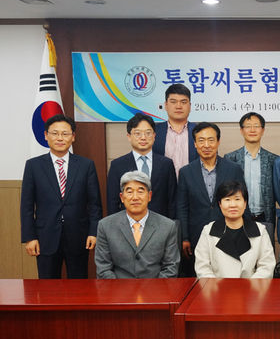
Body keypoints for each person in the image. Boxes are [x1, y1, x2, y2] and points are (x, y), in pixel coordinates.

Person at [20, 114, 102, 278]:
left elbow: (95, 204)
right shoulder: (33, 166)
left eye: (65, 134)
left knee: (79, 285)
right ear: (46, 135)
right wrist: (29, 237)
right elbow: (27, 206)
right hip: (45, 237)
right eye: (55, 133)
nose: (60, 138)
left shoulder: (86, 165)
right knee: (47, 286)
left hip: (79, 236)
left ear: (73, 137)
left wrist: (94, 232)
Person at [177, 122, 246, 277]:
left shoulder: (233, 169)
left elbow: (241, 201)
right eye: (201, 140)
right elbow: (182, 207)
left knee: (229, 276)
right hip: (196, 234)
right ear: (195, 144)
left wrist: (244, 232)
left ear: (218, 141)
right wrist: (185, 237)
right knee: (200, 277)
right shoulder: (186, 172)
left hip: (229, 232)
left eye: (211, 140)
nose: (206, 145)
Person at [95, 171, 180, 278]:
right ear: (122, 197)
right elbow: (103, 269)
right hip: (118, 287)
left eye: (140, 191)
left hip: (156, 287)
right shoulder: (105, 226)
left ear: (149, 196)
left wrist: (155, 288)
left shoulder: (167, 226)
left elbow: (171, 267)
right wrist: (119, 288)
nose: (135, 197)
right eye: (129, 192)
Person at [194, 181, 275, 278]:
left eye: (237, 199)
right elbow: (202, 268)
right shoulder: (208, 231)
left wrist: (250, 286)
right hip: (217, 286)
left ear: (245, 203)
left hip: (251, 286)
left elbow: (266, 267)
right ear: (220, 204)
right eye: (227, 200)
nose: (233, 205)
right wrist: (216, 286)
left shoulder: (260, 230)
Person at [106, 113, 177, 218]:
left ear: (154, 136)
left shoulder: (166, 164)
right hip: (128, 224)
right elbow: (112, 203)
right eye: (137, 133)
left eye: (148, 133)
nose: (143, 138)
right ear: (129, 136)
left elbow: (172, 201)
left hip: (161, 224)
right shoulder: (117, 165)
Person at [224, 112, 278, 239]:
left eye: (256, 126)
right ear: (241, 130)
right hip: (237, 217)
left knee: (265, 251)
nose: (252, 130)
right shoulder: (230, 159)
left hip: (265, 218)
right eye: (248, 126)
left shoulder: (273, 160)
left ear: (263, 130)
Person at [152, 83, 197, 176]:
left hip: (193, 184)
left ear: (190, 106)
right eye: (173, 102)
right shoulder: (153, 132)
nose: (178, 106)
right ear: (166, 105)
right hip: (163, 184)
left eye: (183, 102)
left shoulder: (200, 132)